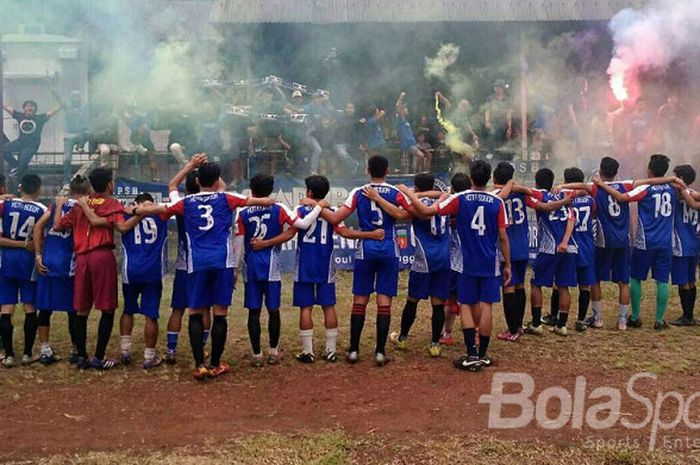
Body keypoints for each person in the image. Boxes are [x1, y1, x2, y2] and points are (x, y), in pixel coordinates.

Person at [138, 162, 275, 379]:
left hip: (196, 263)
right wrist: (268, 200)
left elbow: (162, 208)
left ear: (198, 181)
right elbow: (255, 201)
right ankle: (215, 364)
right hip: (222, 263)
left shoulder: (185, 202)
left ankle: (200, 364)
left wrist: (140, 209)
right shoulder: (226, 198)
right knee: (220, 314)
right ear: (216, 180)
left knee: (195, 312)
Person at [251, 175, 383, 363]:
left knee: (306, 306)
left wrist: (266, 243)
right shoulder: (332, 211)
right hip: (325, 263)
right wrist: (368, 235)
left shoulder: (300, 209)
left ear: (310, 192)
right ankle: (330, 350)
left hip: (304, 263)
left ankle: (308, 351)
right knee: (328, 305)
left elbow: (290, 233)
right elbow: (345, 232)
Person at [399, 160, 511, 371]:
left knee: (467, 305)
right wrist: (508, 264)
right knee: (487, 305)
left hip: (465, 262)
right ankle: (483, 354)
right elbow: (503, 237)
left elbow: (427, 210)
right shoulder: (497, 202)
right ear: (488, 178)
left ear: (471, 177)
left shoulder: (461, 198)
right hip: (489, 261)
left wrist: (408, 192)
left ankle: (471, 354)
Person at [320, 155, 412, 366]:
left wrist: (315, 206)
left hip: (365, 250)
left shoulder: (358, 192)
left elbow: (335, 218)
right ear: (387, 170)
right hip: (389, 249)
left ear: (367, 170)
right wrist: (382, 200)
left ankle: (353, 351)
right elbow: (403, 215)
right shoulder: (395, 193)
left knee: (360, 299)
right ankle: (380, 352)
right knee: (384, 301)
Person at [53, 168, 141, 370]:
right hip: (101, 257)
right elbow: (123, 227)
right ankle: (99, 357)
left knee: (81, 310)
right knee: (107, 308)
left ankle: (82, 356)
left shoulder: (79, 205)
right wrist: (139, 213)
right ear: (109, 184)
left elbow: (57, 226)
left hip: (82, 259)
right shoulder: (111, 203)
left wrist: (59, 206)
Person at [236, 173, 324, 367]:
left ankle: (257, 355)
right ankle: (273, 352)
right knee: (273, 309)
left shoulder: (242, 213)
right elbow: (302, 224)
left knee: (253, 311)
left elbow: (239, 244)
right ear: (271, 189)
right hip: (271, 265)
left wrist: (235, 269)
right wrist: (319, 206)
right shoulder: (279, 208)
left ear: (251, 190)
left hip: (250, 266)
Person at [593, 154, 679, 330]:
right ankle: (659, 320)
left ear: (649, 170)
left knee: (635, 278)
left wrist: (602, 185)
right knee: (662, 280)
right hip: (665, 242)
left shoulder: (645, 188)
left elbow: (623, 198)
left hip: (645, 241)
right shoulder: (673, 188)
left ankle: (634, 316)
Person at [555, 156, 634, 330]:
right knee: (624, 282)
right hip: (623, 239)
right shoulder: (625, 185)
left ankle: (598, 318)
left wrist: (562, 186)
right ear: (616, 172)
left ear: (601, 170)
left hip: (604, 240)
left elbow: (581, 186)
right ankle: (622, 321)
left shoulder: (596, 188)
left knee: (596, 279)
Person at [381, 173, 450, 356]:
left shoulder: (416, 206)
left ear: (417, 188)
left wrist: (405, 194)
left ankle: (403, 339)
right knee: (438, 303)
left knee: (413, 299)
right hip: (444, 258)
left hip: (423, 259)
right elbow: (444, 195)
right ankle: (435, 344)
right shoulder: (444, 200)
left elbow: (398, 214)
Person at [32, 175, 90, 365]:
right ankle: (75, 349)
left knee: (45, 308)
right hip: (70, 263)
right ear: (87, 191)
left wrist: (38, 254)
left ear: (71, 190)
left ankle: (45, 349)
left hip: (48, 260)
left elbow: (39, 226)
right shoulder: (83, 206)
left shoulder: (56, 204)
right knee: (73, 309)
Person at [164, 154, 209, 364]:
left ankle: (171, 351)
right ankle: (201, 348)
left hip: (184, 264)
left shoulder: (182, 204)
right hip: (204, 263)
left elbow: (172, 184)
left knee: (178, 308)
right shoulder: (216, 201)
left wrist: (190, 165)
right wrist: (206, 170)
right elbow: (220, 186)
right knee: (205, 308)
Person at [118, 193, 170, 369]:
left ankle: (125, 351)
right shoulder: (160, 215)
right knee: (150, 314)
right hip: (152, 272)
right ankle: (149, 356)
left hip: (130, 271)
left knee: (128, 309)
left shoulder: (127, 214)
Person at [523, 168, 576, 337]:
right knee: (563, 286)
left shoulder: (540, 195)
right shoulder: (564, 195)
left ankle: (536, 323)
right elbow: (572, 217)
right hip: (569, 246)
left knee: (535, 283)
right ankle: (562, 325)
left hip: (550, 246)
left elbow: (525, 192)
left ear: (537, 182)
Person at [0, 175, 46, 367]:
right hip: (28, 261)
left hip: (7, 259)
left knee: (6, 308)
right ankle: (27, 353)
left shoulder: (5, 204)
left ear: (20, 188)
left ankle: (9, 355)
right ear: (38, 190)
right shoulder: (42, 209)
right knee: (30, 307)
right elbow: (42, 238)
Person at [562, 168, 597, 332]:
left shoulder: (565, 199)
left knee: (562, 285)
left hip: (570, 244)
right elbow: (595, 214)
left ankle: (558, 318)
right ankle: (581, 320)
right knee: (585, 286)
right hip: (587, 245)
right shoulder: (590, 200)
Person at [440, 173, 471, 346]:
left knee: (450, 299)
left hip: (455, 261)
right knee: (473, 299)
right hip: (473, 260)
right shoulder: (475, 203)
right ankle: (473, 333)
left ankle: (447, 333)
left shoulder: (452, 203)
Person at [2, 99, 62, 178]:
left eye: (32, 106)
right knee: (2, 149)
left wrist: (60, 105)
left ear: (35, 109)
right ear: (24, 108)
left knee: (22, 164)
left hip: (31, 146)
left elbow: (51, 113)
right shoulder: (19, 115)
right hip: (20, 142)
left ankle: (17, 174)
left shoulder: (40, 118)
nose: (30, 108)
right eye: (28, 106)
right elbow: (7, 108)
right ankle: (14, 165)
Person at [670, 165, 699, 326]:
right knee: (691, 279)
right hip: (694, 242)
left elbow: (687, 200)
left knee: (684, 281)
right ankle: (690, 315)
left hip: (681, 242)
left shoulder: (679, 194)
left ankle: (687, 316)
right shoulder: (694, 193)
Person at [395, 92, 428, 173]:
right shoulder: (400, 119)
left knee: (405, 164)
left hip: (410, 143)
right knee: (421, 156)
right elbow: (398, 106)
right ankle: (416, 171)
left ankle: (415, 171)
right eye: (405, 108)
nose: (407, 110)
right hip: (407, 144)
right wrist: (401, 97)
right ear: (402, 111)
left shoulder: (406, 121)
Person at [62, 91, 90, 184]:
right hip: (68, 136)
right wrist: (52, 86)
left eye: (77, 97)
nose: (76, 99)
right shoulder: (68, 108)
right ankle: (66, 179)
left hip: (80, 134)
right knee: (67, 158)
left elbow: (94, 99)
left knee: (89, 132)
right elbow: (59, 98)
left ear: (80, 99)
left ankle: (80, 146)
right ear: (71, 99)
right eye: (74, 97)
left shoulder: (84, 108)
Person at [484, 79, 513, 150]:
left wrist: (509, 127)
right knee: (491, 136)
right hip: (493, 122)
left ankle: (499, 156)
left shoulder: (507, 99)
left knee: (501, 140)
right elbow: (487, 110)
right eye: (495, 87)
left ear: (502, 89)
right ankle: (490, 154)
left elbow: (509, 113)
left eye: (498, 87)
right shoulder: (490, 98)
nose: (496, 89)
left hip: (503, 123)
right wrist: (487, 121)